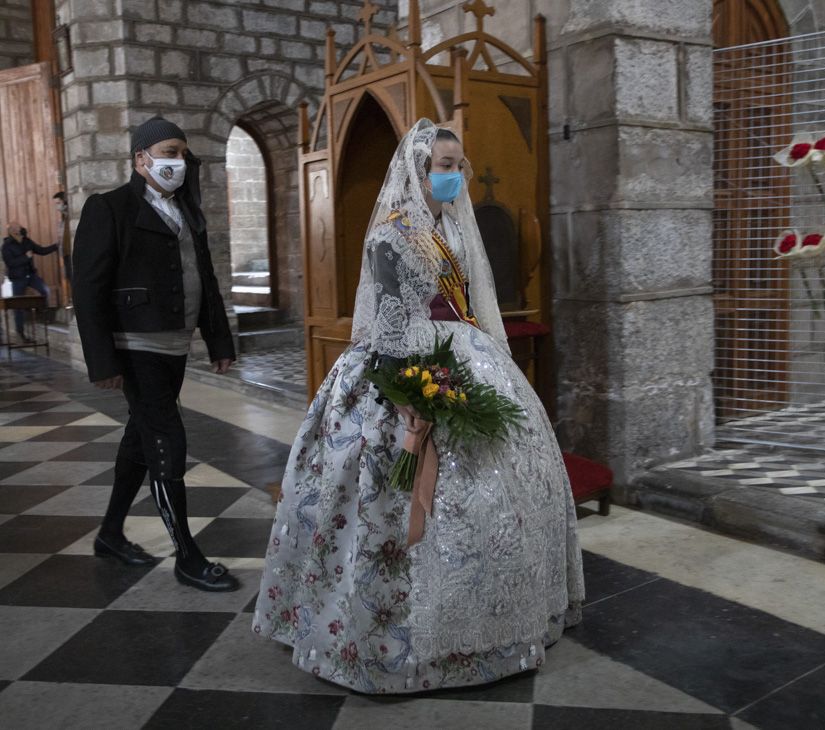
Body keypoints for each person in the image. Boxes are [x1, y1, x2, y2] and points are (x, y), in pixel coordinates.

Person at [253, 119, 584, 693]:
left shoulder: (453, 228)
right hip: (406, 365)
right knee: (383, 495)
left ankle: (500, 622)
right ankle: (387, 635)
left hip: (469, 353)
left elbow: (470, 305)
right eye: (444, 166)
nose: (455, 176)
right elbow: (390, 327)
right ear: (418, 171)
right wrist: (417, 395)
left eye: (459, 166)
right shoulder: (392, 235)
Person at [72, 116, 239, 592]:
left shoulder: (187, 210)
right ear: (140, 158)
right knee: (167, 439)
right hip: (134, 345)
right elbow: (88, 289)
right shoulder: (110, 207)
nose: (178, 162)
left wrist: (219, 341)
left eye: (183, 154)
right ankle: (188, 555)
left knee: (140, 439)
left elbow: (205, 281)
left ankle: (109, 534)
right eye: (169, 151)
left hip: (174, 345)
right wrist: (101, 361)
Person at [1, 222, 58, 341]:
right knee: (18, 305)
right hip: (18, 278)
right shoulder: (7, 245)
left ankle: (44, 314)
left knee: (45, 290)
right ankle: (20, 333)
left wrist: (55, 247)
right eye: (17, 227)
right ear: (12, 231)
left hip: (30, 275)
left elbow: (40, 250)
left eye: (20, 226)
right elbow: (10, 263)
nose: (21, 228)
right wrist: (25, 257)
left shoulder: (27, 241)